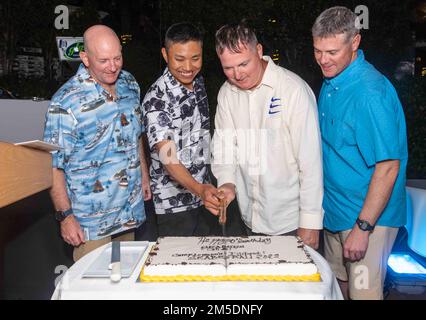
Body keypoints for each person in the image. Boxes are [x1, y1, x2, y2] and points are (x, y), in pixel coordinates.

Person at [312, 6, 408, 300]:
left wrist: (363, 227)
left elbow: (388, 166)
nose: (323, 60)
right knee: (337, 289)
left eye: (331, 51)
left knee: (364, 294)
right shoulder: (332, 82)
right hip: (336, 213)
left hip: (368, 219)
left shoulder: (370, 93)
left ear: (354, 43)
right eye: (317, 50)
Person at [43, 25, 151, 262]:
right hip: (90, 224)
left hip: (128, 212)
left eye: (117, 58)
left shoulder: (129, 84)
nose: (113, 66)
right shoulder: (65, 102)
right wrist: (65, 216)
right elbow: (53, 165)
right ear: (85, 58)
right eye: (103, 60)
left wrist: (144, 174)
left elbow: (136, 135)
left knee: (125, 286)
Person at [211, 22, 324, 248]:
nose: (237, 74)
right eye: (228, 68)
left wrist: (310, 222)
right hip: (248, 217)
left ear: (259, 51)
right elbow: (224, 147)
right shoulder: (226, 92)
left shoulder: (293, 90)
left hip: (289, 222)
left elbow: (310, 162)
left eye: (243, 63)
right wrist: (227, 182)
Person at [142, 22, 221, 236]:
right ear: (165, 55)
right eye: (179, 59)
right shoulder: (157, 98)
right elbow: (168, 157)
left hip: (204, 196)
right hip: (174, 207)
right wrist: (199, 190)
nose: (188, 67)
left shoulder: (198, 82)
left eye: (195, 58)